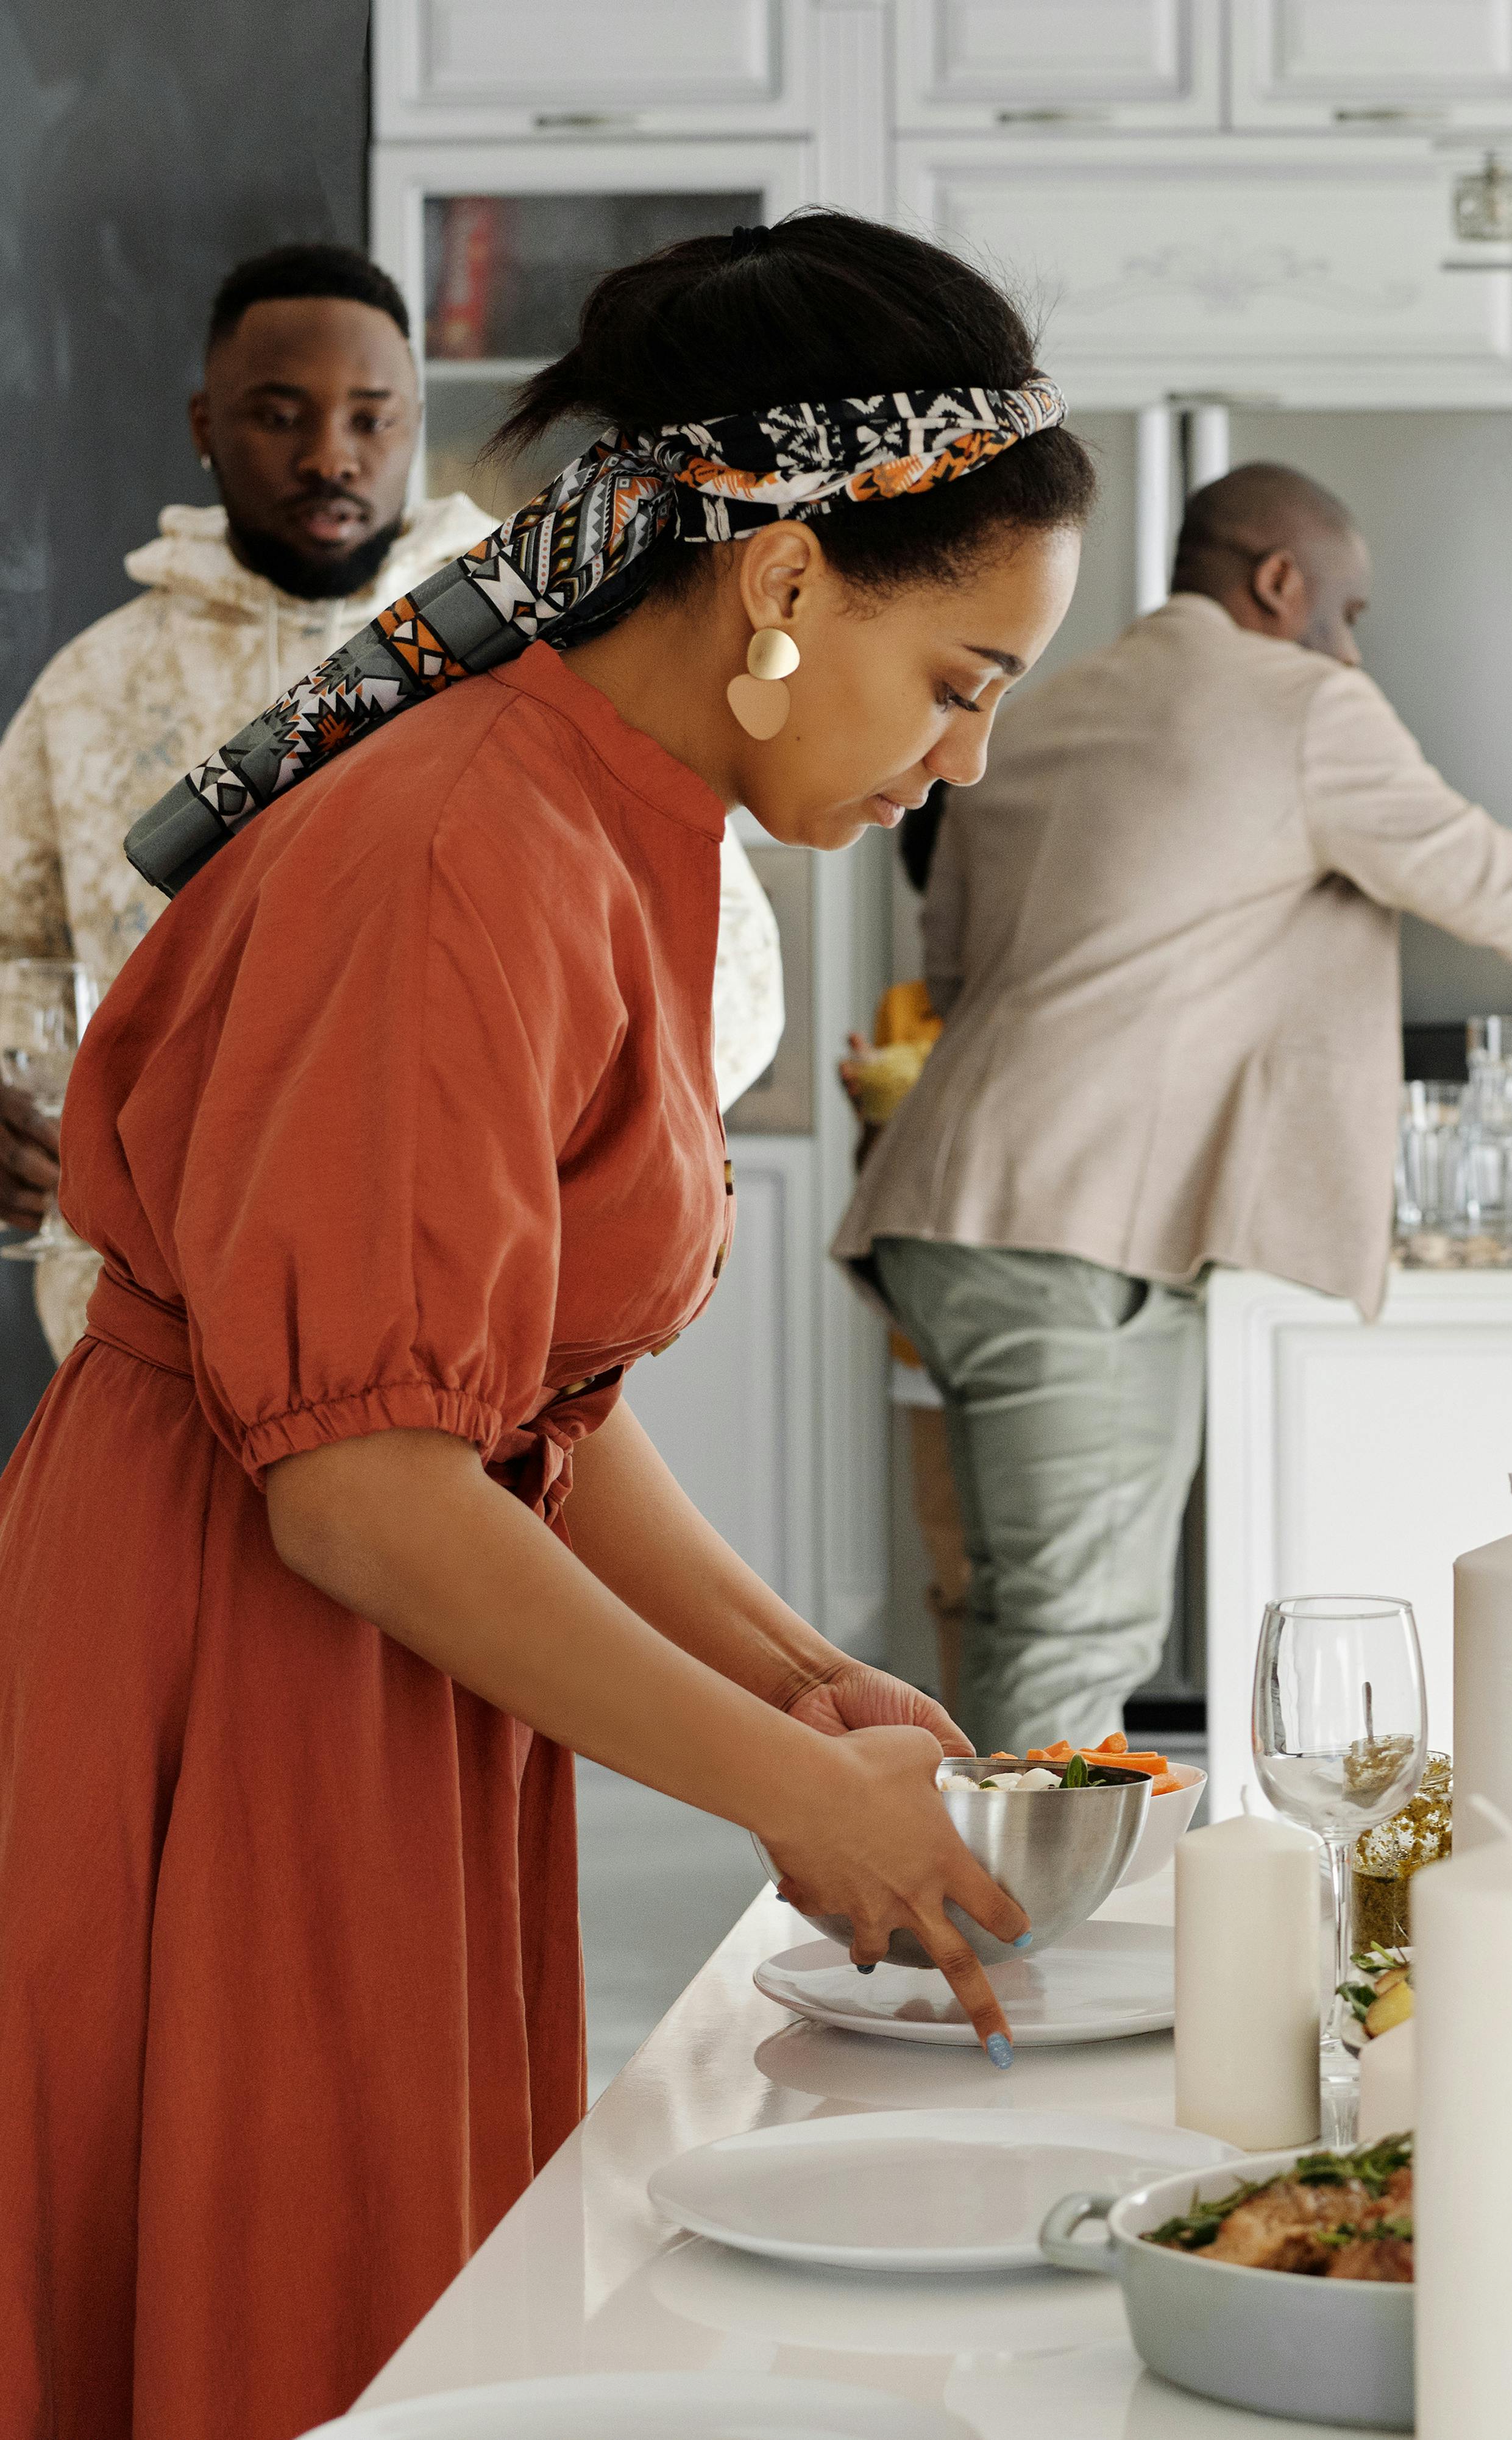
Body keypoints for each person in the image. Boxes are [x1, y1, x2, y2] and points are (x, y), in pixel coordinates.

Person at [0, 211, 1096, 2440]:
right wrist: (794, 1788)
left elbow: (526, 1410)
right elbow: (370, 1488)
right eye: (964, 682)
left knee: (414, 2325)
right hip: (248, 1674)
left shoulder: (631, 823)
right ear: (784, 582)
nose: (964, 762)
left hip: (383, 1663)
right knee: (286, 2327)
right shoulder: (453, 846)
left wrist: (800, 1677)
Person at [832, 461, 1512, 1754]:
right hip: (1078, 1230)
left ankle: (994, 1918)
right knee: (1075, 1643)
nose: (1354, 643)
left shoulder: (1035, 712)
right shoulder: (1303, 704)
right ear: (1282, 582)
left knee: (1018, 1620)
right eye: (1352, 610)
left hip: (952, 1208)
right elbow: (1480, 871)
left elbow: (953, 972)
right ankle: (1019, 1944)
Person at [0, 241, 786, 1357]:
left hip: (454, 1305)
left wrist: (536, 1145)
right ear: (203, 426)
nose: (331, 455)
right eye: (280, 415)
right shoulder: (89, 688)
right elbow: (13, 958)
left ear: (415, 424)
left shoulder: (555, 660)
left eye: (372, 419)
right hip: (138, 1318)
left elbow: (723, 977)